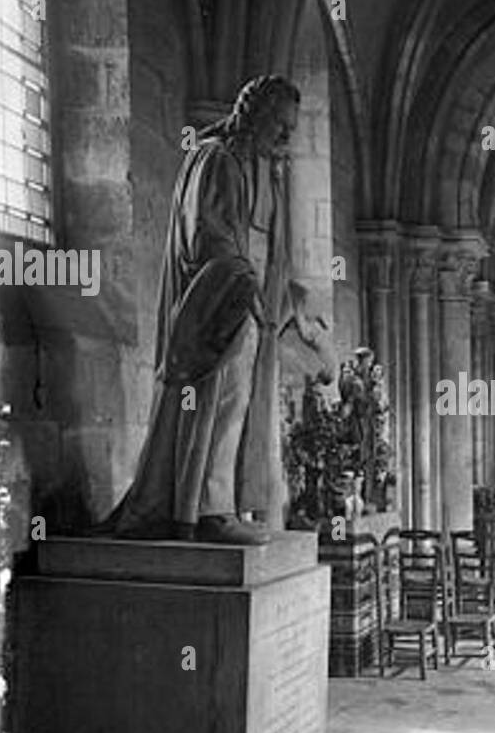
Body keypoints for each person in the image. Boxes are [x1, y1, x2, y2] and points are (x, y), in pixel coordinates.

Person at [104, 75, 335, 544]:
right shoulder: (215, 158)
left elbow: (267, 248)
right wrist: (246, 287)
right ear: (254, 116)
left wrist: (284, 301)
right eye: (280, 126)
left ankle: (220, 504)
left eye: (292, 129)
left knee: (237, 408)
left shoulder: (265, 169)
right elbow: (208, 235)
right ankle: (205, 511)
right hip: (218, 304)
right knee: (216, 403)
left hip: (249, 307)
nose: (287, 138)